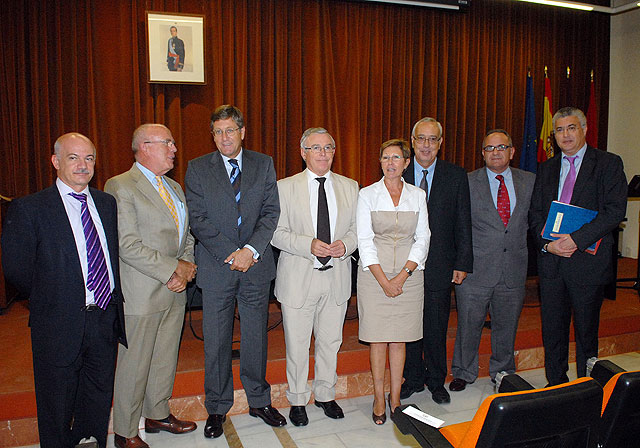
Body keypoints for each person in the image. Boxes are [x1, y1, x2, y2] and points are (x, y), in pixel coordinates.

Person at [1, 133, 127, 448]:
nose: (83, 165)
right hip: (57, 322)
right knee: (56, 403)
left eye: (89, 158)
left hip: (103, 318)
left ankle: (91, 440)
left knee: (97, 395)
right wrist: (55, 297)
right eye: (73, 158)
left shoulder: (106, 203)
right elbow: (16, 268)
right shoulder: (30, 208)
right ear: (56, 162)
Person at [185, 105, 284, 439]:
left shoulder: (263, 163)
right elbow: (197, 218)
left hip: (255, 266)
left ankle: (258, 400)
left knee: (257, 336)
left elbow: (271, 212)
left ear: (243, 131)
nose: (224, 137)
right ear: (212, 135)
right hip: (217, 267)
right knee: (215, 340)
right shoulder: (197, 168)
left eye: (230, 130)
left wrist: (250, 250)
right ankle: (216, 407)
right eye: (217, 132)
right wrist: (231, 253)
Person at [104, 124, 197, 448]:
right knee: (135, 364)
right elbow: (127, 244)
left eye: (172, 142)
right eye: (167, 143)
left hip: (174, 289)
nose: (173, 148)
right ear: (144, 146)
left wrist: (184, 268)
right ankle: (125, 431)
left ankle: (157, 413)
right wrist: (173, 269)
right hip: (142, 293)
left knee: (164, 358)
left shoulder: (173, 186)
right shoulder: (120, 186)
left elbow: (185, 235)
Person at [529, 107, 627, 386]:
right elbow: (536, 215)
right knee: (553, 331)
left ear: (584, 129)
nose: (565, 135)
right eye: (559, 130)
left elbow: (614, 211)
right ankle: (556, 384)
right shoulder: (546, 168)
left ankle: (587, 387)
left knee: (586, 333)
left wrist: (576, 239)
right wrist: (548, 246)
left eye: (571, 128)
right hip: (552, 263)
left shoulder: (608, 163)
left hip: (587, 261)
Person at [272, 127, 359, 426]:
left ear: (334, 152)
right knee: (297, 344)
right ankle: (297, 400)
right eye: (316, 148)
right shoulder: (284, 187)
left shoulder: (351, 186)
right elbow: (275, 234)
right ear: (303, 152)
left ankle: (325, 394)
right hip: (299, 277)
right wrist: (307, 244)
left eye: (328, 148)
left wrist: (346, 245)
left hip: (336, 277)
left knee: (330, 341)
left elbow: (358, 232)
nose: (323, 153)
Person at [449, 129, 535, 391]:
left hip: (514, 268)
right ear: (482, 153)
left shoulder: (530, 181)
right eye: (490, 148)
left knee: (507, 325)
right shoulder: (467, 181)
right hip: (475, 269)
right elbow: (458, 226)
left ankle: (504, 370)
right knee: (468, 324)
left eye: (501, 147)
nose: (495, 152)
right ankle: (463, 371)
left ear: (511, 151)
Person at [357, 139, 430, 424]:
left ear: (406, 163)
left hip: (409, 276)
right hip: (374, 275)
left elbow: (423, 238)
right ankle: (378, 396)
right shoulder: (367, 194)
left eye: (396, 158)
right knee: (377, 338)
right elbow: (364, 240)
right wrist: (384, 280)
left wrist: (402, 276)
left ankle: (396, 397)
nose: (390, 163)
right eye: (385, 157)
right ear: (380, 162)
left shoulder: (418, 195)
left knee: (399, 338)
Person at [401, 117, 473, 404]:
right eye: (421, 139)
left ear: (440, 143)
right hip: (404, 267)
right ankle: (413, 378)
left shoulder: (456, 176)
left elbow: (463, 223)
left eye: (433, 139)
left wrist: (462, 262)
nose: (426, 145)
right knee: (408, 326)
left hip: (441, 264)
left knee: (436, 325)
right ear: (412, 141)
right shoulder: (398, 173)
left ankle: (436, 381)